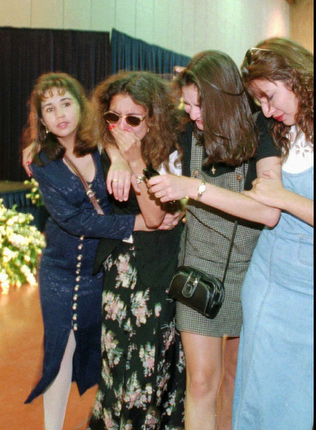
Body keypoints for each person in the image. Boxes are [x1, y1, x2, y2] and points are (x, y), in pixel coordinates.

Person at [145, 51, 281, 430]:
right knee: (202, 381)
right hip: (197, 270)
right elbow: (131, 124)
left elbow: (267, 211)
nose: (190, 114)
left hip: (249, 274)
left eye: (197, 104)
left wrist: (194, 187)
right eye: (185, 104)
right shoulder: (188, 131)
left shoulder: (261, 134)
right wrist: (120, 159)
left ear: (223, 96)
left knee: (234, 381)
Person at [22, 72, 158, 430]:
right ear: (42, 119)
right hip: (59, 273)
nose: (60, 114)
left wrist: (119, 160)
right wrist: (137, 225)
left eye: (66, 102)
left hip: (101, 270)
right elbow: (75, 220)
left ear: (80, 105)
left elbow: (124, 149)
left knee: (104, 351)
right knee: (59, 353)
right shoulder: (41, 162)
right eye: (49, 109)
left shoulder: (103, 144)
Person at [86, 71, 186, 430]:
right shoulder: (106, 145)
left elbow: (154, 215)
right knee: (115, 361)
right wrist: (117, 156)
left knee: (150, 366)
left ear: (154, 117)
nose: (121, 126)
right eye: (113, 117)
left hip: (157, 270)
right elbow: (61, 136)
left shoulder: (173, 151)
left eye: (133, 119)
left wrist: (135, 161)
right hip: (119, 269)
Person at [232, 38, 313, 430]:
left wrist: (282, 197)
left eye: (269, 96)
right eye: (259, 102)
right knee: (256, 398)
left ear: (293, 76)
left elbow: (277, 199)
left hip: (305, 294)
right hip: (266, 278)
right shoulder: (281, 129)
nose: (267, 110)